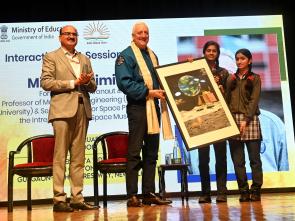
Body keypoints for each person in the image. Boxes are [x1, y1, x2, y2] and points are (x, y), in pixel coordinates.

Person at [115, 21, 173, 207]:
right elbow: (125, 84)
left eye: (146, 32)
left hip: (153, 108)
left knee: (152, 153)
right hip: (138, 108)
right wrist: (148, 93)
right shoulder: (126, 56)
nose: (143, 35)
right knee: (134, 153)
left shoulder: (152, 54)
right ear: (133, 35)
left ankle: (148, 192)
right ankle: (132, 195)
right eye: (139, 33)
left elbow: (160, 78)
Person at [41, 25, 98, 212]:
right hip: (62, 111)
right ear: (60, 37)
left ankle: (77, 198)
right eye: (67, 34)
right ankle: (59, 199)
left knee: (78, 158)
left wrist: (87, 81)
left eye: (74, 34)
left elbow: (93, 86)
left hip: (82, 109)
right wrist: (74, 83)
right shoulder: (51, 56)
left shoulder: (84, 58)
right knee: (60, 157)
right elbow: (46, 82)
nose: (71, 37)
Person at [226, 48, 263, 202]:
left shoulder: (255, 78)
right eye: (237, 59)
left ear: (250, 60)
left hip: (251, 119)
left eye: (242, 58)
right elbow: (225, 98)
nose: (239, 61)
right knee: (238, 161)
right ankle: (243, 191)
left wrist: (246, 120)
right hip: (233, 119)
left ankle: (255, 190)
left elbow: (254, 101)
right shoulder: (231, 78)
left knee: (254, 160)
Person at [195, 41, 229, 203]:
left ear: (217, 54)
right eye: (208, 50)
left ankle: (221, 192)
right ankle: (205, 193)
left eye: (214, 51)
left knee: (221, 157)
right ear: (203, 52)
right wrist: (189, 64)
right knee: (203, 159)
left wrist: (223, 91)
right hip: (202, 120)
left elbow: (229, 97)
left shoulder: (224, 73)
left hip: (219, 119)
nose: (211, 53)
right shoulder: (196, 71)